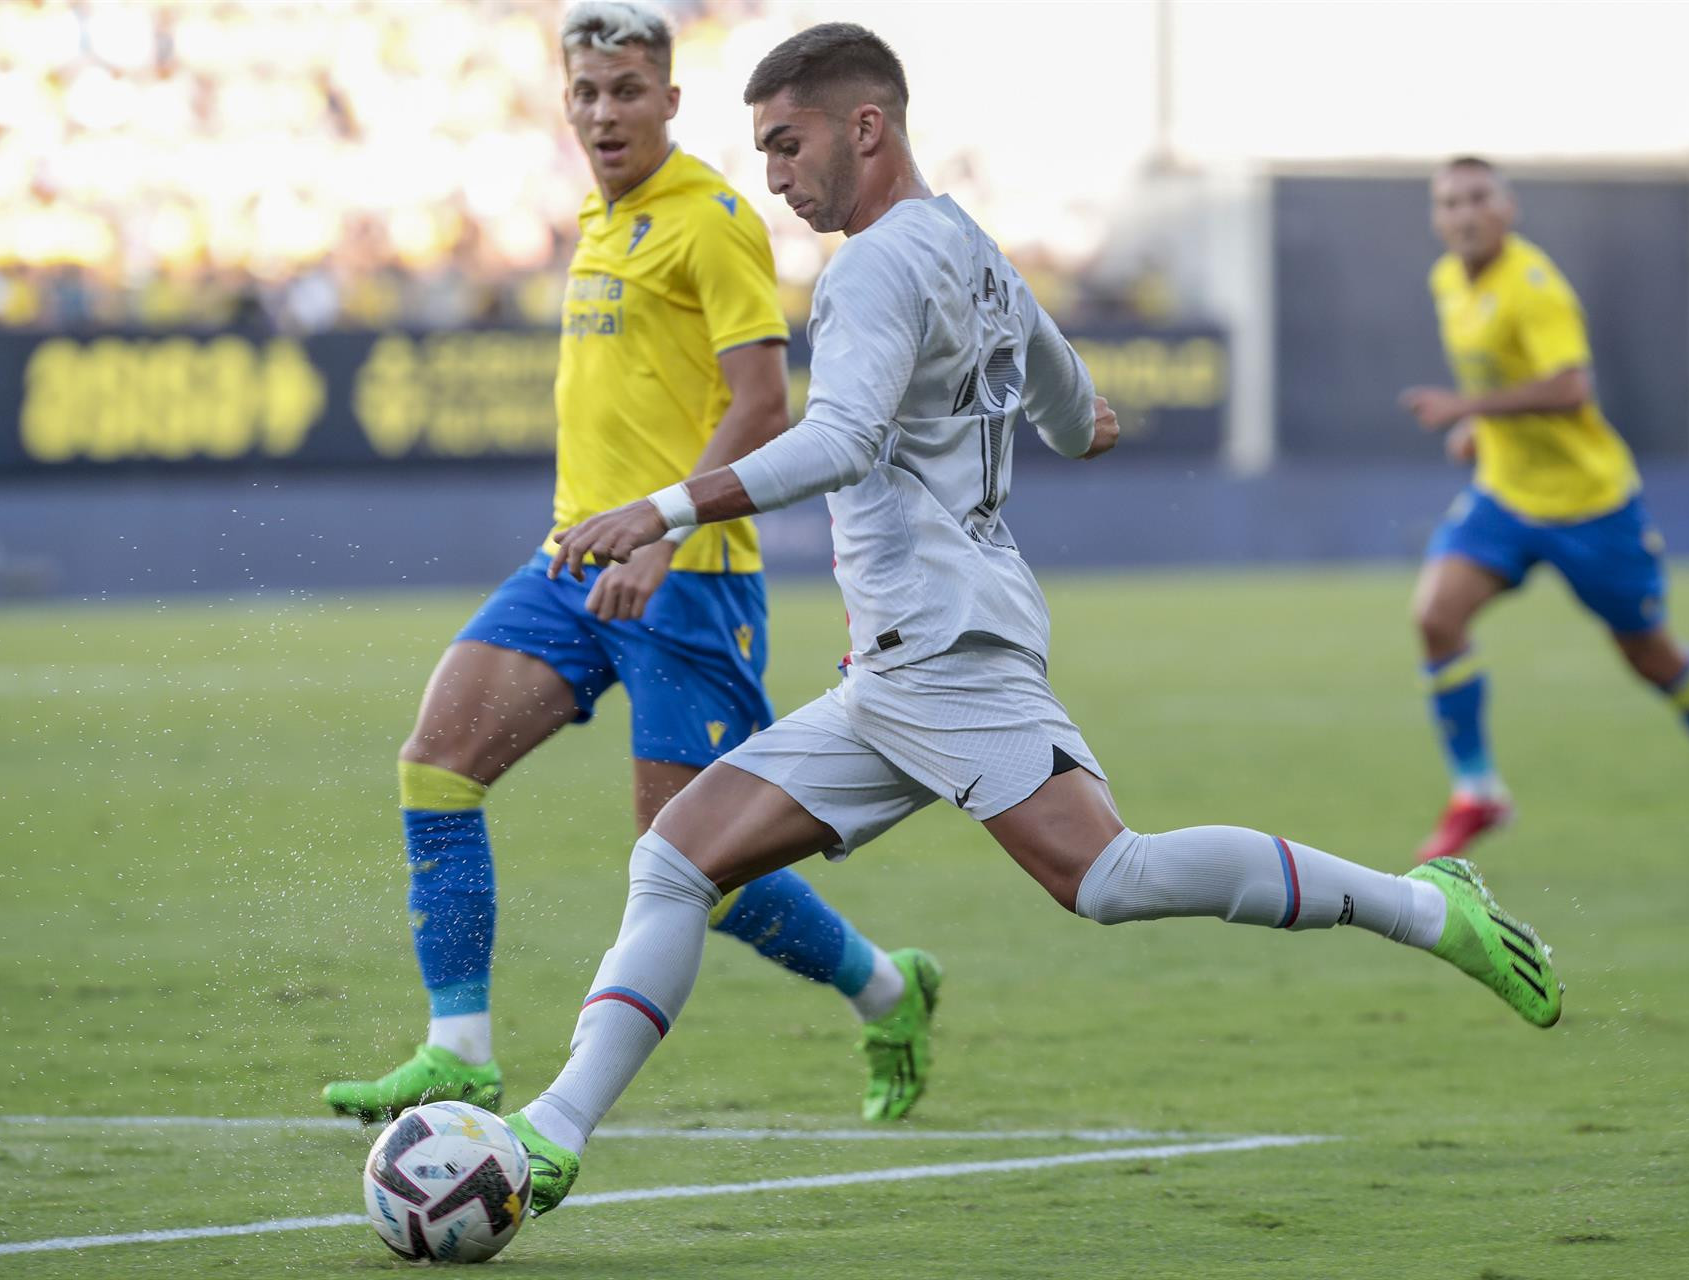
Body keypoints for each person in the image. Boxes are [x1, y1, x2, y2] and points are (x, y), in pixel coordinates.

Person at [497, 23, 1564, 1216]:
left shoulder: (870, 267)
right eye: (762, 152)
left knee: (1109, 874)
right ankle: (553, 1130)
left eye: (788, 146)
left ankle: (1428, 905)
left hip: (947, 650)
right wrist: (1072, 422)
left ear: (867, 127)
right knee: (676, 857)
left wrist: (659, 509)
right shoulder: (977, 253)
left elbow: (842, 439)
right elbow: (1073, 414)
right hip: (898, 668)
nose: (776, 177)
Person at [322, 1, 940, 1129]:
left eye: (626, 89)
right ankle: (457, 1048)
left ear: (669, 98)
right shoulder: (599, 220)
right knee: (437, 760)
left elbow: (763, 403)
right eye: (586, 92)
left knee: (693, 863)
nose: (604, 111)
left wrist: (663, 530)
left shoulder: (710, 218)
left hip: (690, 576)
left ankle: (889, 985)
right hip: (571, 560)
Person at [1399, 158, 1689, 864]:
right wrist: (1482, 430)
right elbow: (1507, 376)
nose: (1464, 213)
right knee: (1435, 616)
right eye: (1449, 202)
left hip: (1590, 506)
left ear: (1508, 207)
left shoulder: (1534, 287)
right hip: (1505, 494)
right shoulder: (1448, 281)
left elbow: (1570, 388)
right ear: (1437, 217)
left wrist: (1468, 408)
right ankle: (1478, 791)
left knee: (1649, 655)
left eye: (1478, 198)